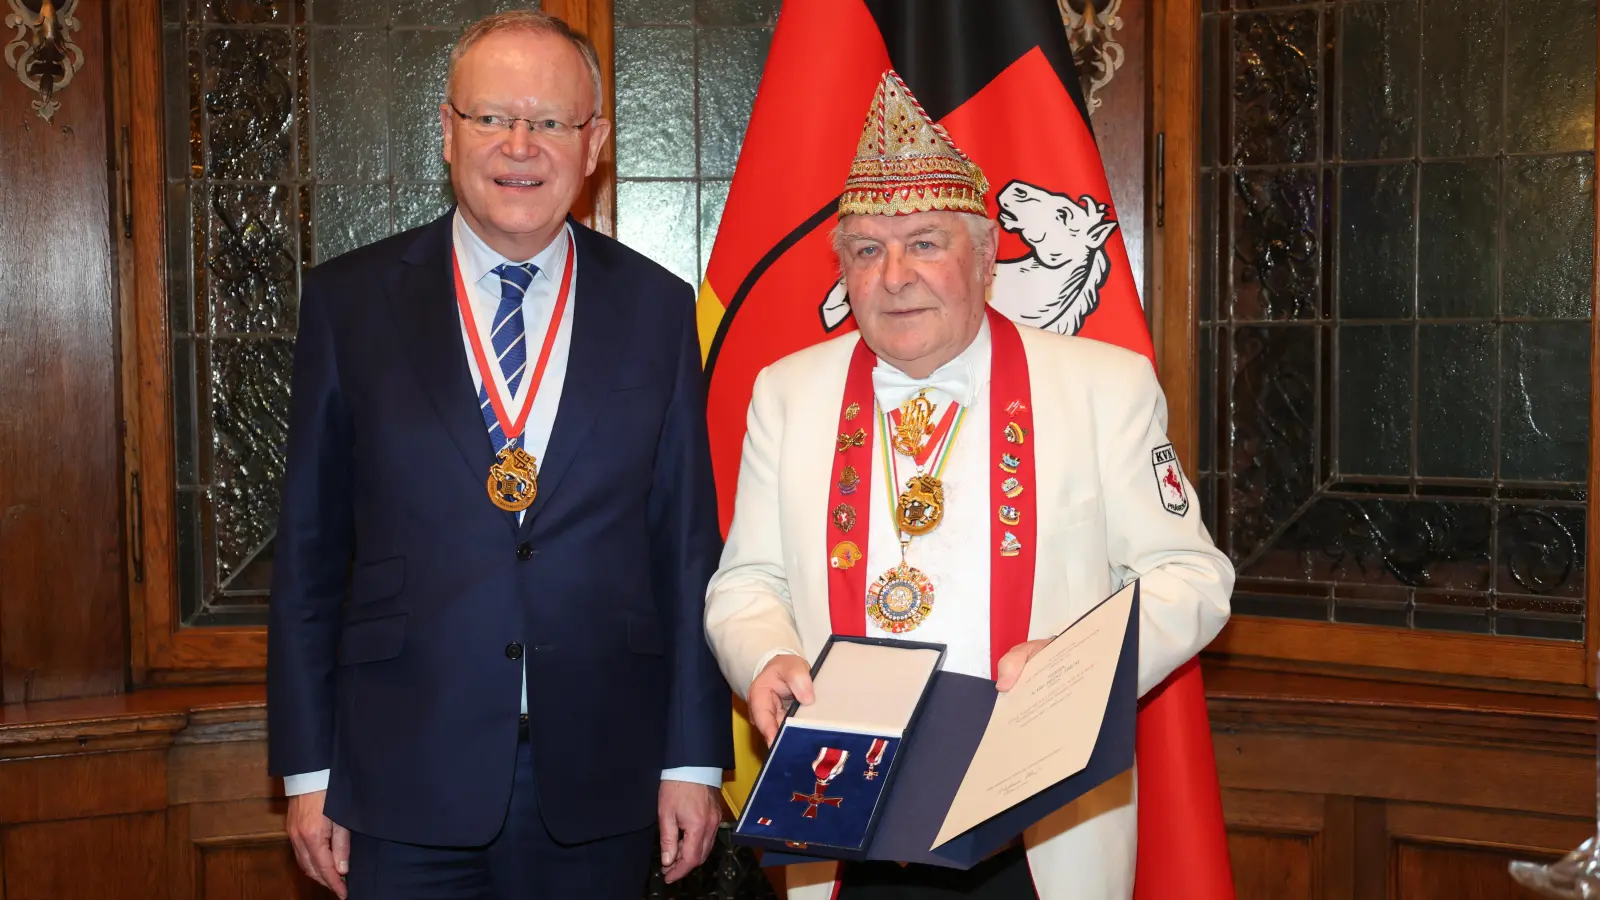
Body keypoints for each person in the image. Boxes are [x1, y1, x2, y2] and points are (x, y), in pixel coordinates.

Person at [702, 70, 1233, 900]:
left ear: (986, 258)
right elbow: (746, 584)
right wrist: (765, 656)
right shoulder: (786, 391)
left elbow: (1195, 579)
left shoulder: (1104, 387)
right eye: (868, 250)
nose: (895, 275)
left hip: (1038, 833)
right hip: (842, 824)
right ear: (843, 273)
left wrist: (1078, 665)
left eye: (925, 242)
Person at [266, 11, 732, 899]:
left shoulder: (660, 311)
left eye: (551, 122)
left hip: (604, 775)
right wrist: (306, 771)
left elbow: (685, 552)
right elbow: (310, 557)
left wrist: (694, 761)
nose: (521, 146)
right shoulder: (349, 305)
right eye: (492, 118)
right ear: (448, 131)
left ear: (592, 143)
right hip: (396, 779)